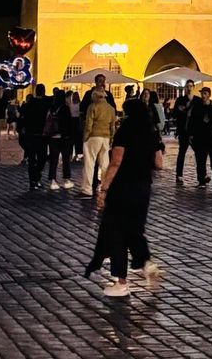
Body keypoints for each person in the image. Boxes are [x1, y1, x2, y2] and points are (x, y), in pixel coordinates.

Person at [86, 98, 164, 297]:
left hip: (123, 187)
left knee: (115, 232)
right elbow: (159, 163)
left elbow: (116, 161)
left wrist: (104, 188)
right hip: (143, 187)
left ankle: (120, 282)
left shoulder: (125, 131)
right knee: (135, 229)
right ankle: (146, 262)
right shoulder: (152, 131)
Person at [187, 86, 212, 187]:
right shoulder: (197, 108)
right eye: (202, 93)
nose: (203, 95)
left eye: (205, 93)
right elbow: (192, 122)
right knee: (200, 159)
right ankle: (202, 179)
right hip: (200, 137)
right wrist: (191, 134)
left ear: (209, 95)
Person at [81, 87, 117, 198]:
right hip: (106, 137)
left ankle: (87, 189)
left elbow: (88, 125)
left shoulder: (93, 106)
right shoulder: (111, 108)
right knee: (105, 164)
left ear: (95, 96)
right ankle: (106, 186)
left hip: (93, 136)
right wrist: (111, 138)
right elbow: (113, 126)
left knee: (89, 163)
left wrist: (85, 137)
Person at [23, 84, 50, 191]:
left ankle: (32, 180)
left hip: (31, 135)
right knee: (41, 158)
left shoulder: (30, 103)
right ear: (43, 92)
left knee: (32, 159)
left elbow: (24, 117)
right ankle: (36, 177)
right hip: (41, 135)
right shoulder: (46, 103)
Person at [47, 88, 74, 190]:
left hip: (53, 137)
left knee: (53, 159)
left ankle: (53, 181)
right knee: (65, 159)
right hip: (64, 137)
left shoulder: (52, 108)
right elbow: (68, 124)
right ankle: (66, 180)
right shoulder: (65, 108)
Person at [173, 80, 196, 185]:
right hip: (183, 131)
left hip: (195, 132)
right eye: (187, 86)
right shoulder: (180, 100)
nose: (189, 88)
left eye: (191, 86)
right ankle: (179, 175)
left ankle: (202, 175)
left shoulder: (197, 100)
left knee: (200, 153)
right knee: (182, 153)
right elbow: (175, 114)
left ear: (193, 87)